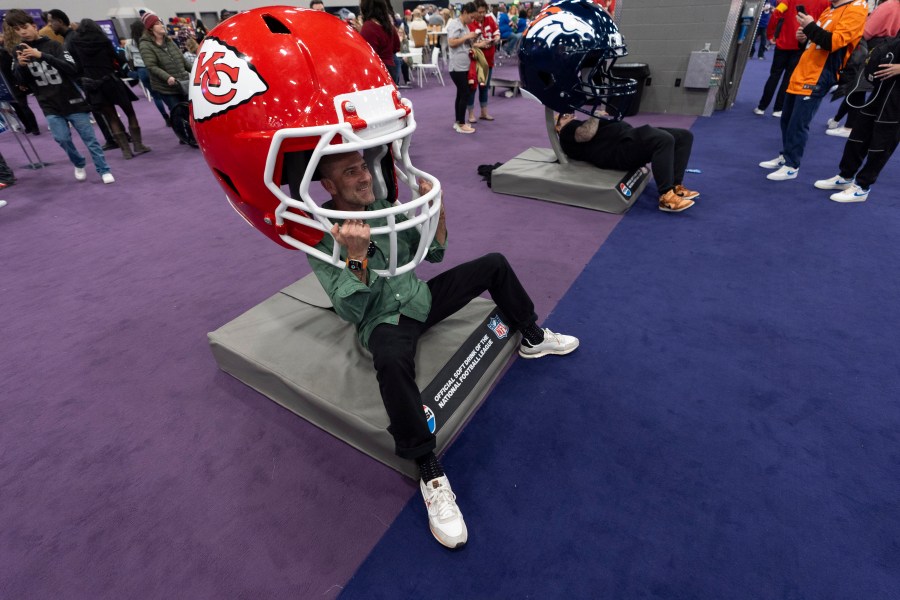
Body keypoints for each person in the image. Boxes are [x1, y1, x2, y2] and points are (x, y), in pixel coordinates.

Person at [308, 150, 579, 548]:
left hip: (419, 299)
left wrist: (439, 209)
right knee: (391, 359)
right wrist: (355, 256)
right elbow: (352, 309)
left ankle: (532, 336)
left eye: (363, 166)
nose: (364, 176)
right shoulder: (320, 236)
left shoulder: (384, 207)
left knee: (494, 263)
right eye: (350, 172)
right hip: (384, 319)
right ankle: (428, 469)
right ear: (329, 186)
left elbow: (433, 252)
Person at [759, 0, 867, 181]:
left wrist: (809, 26)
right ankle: (785, 156)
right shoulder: (830, 9)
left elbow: (833, 42)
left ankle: (792, 165)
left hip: (818, 75)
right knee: (786, 119)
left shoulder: (856, 10)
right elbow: (816, 42)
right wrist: (805, 38)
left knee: (798, 123)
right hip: (803, 70)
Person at [6, 9, 114, 184]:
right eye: (17, 29)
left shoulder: (54, 45)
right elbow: (20, 83)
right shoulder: (18, 51)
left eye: (25, 27)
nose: (22, 32)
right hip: (48, 104)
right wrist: (20, 66)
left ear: (34, 26)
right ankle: (78, 162)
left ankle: (104, 169)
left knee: (90, 139)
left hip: (73, 100)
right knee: (61, 139)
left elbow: (72, 69)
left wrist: (42, 56)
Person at [813, 34, 900, 202]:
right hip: (881, 88)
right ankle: (846, 176)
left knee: (882, 142)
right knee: (858, 135)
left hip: (896, 98)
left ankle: (863, 186)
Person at [556, 112, 697, 213]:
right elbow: (585, 135)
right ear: (557, 127)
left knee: (684, 136)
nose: (569, 115)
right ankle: (666, 197)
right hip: (619, 149)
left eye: (569, 114)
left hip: (629, 137)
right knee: (663, 139)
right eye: (563, 117)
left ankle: (676, 186)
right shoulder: (566, 133)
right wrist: (595, 115)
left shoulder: (577, 125)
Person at [68, 19, 151, 160]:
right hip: (111, 81)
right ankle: (138, 145)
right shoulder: (103, 40)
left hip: (94, 85)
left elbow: (78, 66)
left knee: (112, 117)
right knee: (130, 113)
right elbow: (117, 58)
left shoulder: (75, 44)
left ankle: (125, 151)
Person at [47, 8, 119, 151]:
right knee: (103, 110)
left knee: (101, 110)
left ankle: (113, 138)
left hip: (88, 80)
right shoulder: (69, 38)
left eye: (50, 21)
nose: (49, 25)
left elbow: (80, 62)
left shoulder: (72, 38)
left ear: (60, 21)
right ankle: (116, 137)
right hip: (87, 80)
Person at [754, 0, 829, 117]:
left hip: (783, 43)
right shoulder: (824, 3)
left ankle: (762, 107)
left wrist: (771, 35)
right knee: (788, 78)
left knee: (774, 75)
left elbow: (776, 13)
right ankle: (778, 109)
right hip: (803, 45)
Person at [447, 2, 489, 134]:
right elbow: (451, 42)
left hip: (464, 65)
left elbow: (465, 44)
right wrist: (467, 36)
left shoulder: (464, 26)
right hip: (457, 66)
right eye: (471, 17)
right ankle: (461, 123)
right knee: (465, 93)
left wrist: (480, 43)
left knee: (461, 93)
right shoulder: (455, 24)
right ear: (464, 12)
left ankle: (458, 121)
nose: (472, 20)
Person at [138, 12, 192, 114]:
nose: (162, 25)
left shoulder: (169, 41)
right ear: (150, 27)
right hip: (167, 88)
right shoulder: (145, 45)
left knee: (190, 112)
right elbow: (151, 66)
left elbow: (182, 60)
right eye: (157, 23)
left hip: (183, 83)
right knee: (178, 113)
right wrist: (167, 77)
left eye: (161, 22)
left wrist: (196, 70)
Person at [126, 20, 169, 127]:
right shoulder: (149, 40)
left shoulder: (129, 43)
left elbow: (128, 58)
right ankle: (174, 114)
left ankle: (166, 117)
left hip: (142, 70)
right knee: (166, 93)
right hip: (155, 68)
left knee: (155, 96)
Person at [466, 0, 500, 123]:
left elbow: (496, 32)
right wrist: (480, 44)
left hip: (489, 60)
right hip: (475, 60)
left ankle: (484, 112)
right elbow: (468, 43)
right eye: (479, 12)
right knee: (472, 87)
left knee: (484, 87)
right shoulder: (470, 23)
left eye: (483, 12)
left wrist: (496, 39)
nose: (481, 15)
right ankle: (470, 114)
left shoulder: (490, 20)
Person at [360, 0, 401, 84]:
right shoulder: (388, 26)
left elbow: (367, 54)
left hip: (378, 70)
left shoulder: (368, 27)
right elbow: (397, 47)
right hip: (391, 67)